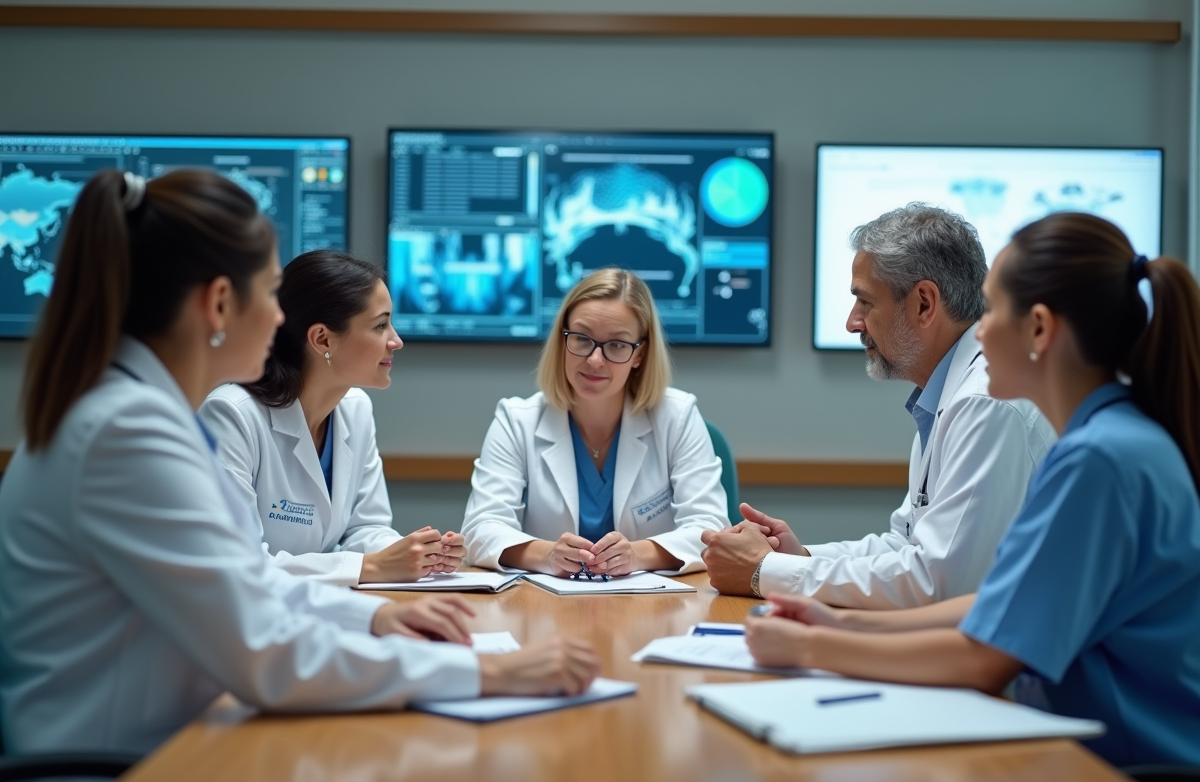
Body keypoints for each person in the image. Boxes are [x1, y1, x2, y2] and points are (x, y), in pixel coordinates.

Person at [0, 169, 599, 782]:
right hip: (121, 772)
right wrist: (487, 673)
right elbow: (261, 648)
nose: (278, 318)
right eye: (270, 294)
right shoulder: (129, 436)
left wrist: (375, 618)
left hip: (168, 744)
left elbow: (246, 581)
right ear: (219, 304)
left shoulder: (135, 415)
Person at [744, 213, 1200, 768]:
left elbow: (987, 657)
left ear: (1038, 329)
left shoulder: (1097, 458)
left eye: (992, 310)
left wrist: (813, 646)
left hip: (1132, 771)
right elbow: (999, 603)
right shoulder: (1106, 440)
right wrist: (842, 622)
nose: (979, 332)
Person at [703, 203, 1055, 607]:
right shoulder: (950, 395)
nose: (852, 322)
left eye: (865, 302)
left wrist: (764, 571)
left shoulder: (985, 402)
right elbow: (904, 546)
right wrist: (796, 559)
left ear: (924, 304)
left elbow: (939, 583)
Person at [200, 250, 463, 587]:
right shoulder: (233, 415)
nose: (396, 341)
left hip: (322, 606)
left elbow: (365, 528)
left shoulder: (356, 409)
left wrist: (418, 554)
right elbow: (238, 563)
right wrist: (371, 567)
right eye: (380, 325)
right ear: (322, 339)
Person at [462, 268, 727, 577]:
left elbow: (711, 529)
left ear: (639, 355)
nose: (595, 360)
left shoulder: (677, 417)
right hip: (543, 603)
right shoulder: (516, 420)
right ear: (562, 340)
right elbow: (480, 529)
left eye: (617, 345)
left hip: (652, 603)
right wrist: (547, 555)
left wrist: (637, 555)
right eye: (581, 338)